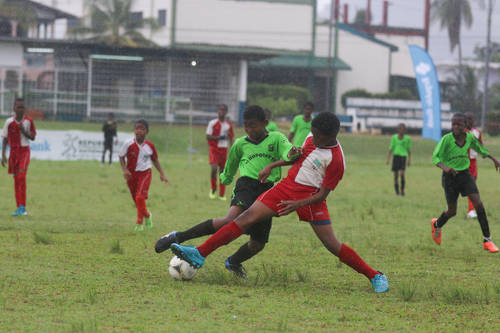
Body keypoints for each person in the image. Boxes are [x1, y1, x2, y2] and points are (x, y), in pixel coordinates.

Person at [170, 112, 389, 293]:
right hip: (285, 188)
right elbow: (298, 158)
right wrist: (274, 165)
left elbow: (323, 195)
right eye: (311, 133)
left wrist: (299, 204)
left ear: (331, 135)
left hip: (311, 200)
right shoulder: (312, 139)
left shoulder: (337, 161)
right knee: (245, 217)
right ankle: (199, 253)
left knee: (332, 244)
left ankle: (375, 276)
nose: (312, 137)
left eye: (317, 135)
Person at [155, 105, 300, 277]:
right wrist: (225, 178)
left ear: (265, 123)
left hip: (267, 189)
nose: (249, 129)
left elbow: (289, 153)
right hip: (246, 185)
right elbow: (230, 168)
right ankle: (179, 236)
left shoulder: (276, 138)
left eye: (253, 125)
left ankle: (234, 262)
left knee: (258, 243)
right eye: (246, 125)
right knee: (230, 219)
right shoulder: (240, 144)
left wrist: (291, 153)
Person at [430, 113, 500, 253]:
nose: (455, 127)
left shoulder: (469, 137)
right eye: (453, 124)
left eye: (459, 124)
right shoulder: (447, 139)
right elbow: (435, 158)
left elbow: (480, 149)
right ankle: (436, 224)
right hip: (450, 178)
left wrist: (493, 159)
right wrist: (446, 168)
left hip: (465, 175)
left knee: (478, 204)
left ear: (465, 125)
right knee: (452, 211)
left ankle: (487, 240)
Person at [119, 119, 168, 231]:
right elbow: (121, 156)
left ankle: (139, 223)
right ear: (134, 130)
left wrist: (162, 174)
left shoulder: (150, 146)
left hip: (145, 173)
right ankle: (147, 215)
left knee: (140, 197)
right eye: (137, 128)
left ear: (147, 132)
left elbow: (155, 160)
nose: (139, 131)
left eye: (142, 129)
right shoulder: (128, 143)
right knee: (138, 202)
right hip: (131, 175)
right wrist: (125, 169)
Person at [1, 98, 36, 216]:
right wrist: (3, 155)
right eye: (18, 107)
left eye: (22, 107)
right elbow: (5, 139)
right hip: (13, 153)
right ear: (14, 108)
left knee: (21, 177)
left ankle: (23, 207)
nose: (20, 109)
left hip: (24, 152)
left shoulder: (28, 121)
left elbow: (33, 137)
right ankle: (19, 208)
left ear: (24, 109)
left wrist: (24, 131)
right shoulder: (8, 122)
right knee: (16, 180)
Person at [206, 104, 234, 200]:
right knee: (214, 169)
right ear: (217, 111)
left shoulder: (228, 125)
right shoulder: (212, 123)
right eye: (220, 110)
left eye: (223, 110)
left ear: (226, 112)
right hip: (214, 149)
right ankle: (213, 189)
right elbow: (208, 136)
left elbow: (231, 138)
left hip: (224, 150)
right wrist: (218, 138)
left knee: (222, 171)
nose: (221, 112)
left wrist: (232, 150)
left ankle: (222, 194)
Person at [386, 123, 411, 196]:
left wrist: (409, 160)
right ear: (398, 130)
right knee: (396, 175)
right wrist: (388, 159)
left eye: (403, 130)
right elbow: (391, 148)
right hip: (396, 156)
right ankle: (397, 192)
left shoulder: (407, 139)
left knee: (402, 174)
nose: (401, 131)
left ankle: (402, 190)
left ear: (405, 130)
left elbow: (409, 150)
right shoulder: (394, 137)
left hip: (403, 157)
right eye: (400, 129)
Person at [465, 112, 482, 219]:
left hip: (473, 162)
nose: (470, 121)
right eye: (467, 119)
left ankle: (471, 210)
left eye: (471, 119)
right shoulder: (462, 132)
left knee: (472, 186)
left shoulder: (477, 132)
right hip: (463, 161)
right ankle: (451, 205)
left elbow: (481, 144)